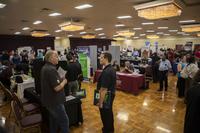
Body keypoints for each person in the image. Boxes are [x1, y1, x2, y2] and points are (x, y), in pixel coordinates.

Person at [41, 50, 69, 133]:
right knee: (64, 121)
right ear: (50, 58)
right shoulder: (51, 70)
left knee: (54, 121)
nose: (58, 58)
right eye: (56, 56)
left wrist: (60, 78)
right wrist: (64, 81)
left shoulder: (45, 67)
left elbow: (52, 82)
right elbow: (56, 88)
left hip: (49, 101)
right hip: (55, 102)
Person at [97, 52, 116, 133]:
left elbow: (103, 89)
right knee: (109, 113)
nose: (99, 59)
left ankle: (107, 130)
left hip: (106, 95)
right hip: (111, 94)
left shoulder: (107, 71)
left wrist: (100, 103)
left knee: (105, 114)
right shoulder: (111, 68)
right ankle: (110, 129)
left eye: (101, 57)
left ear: (106, 58)